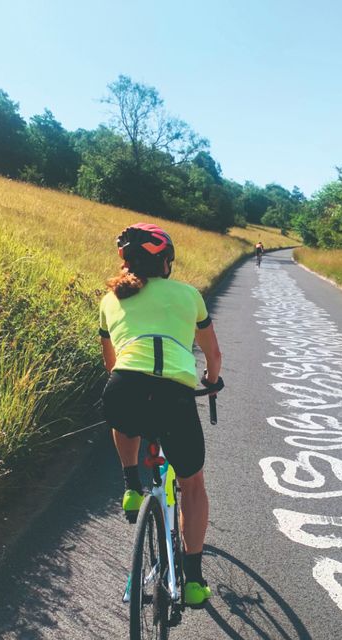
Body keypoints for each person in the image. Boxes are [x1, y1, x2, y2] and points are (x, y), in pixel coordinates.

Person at [99, 222, 223, 607]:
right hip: (174, 396)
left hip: (124, 388)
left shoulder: (110, 301)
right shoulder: (190, 296)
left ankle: (132, 488)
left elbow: (111, 364)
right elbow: (214, 356)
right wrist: (211, 380)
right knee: (193, 484)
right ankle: (193, 581)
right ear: (166, 262)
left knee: (125, 415)